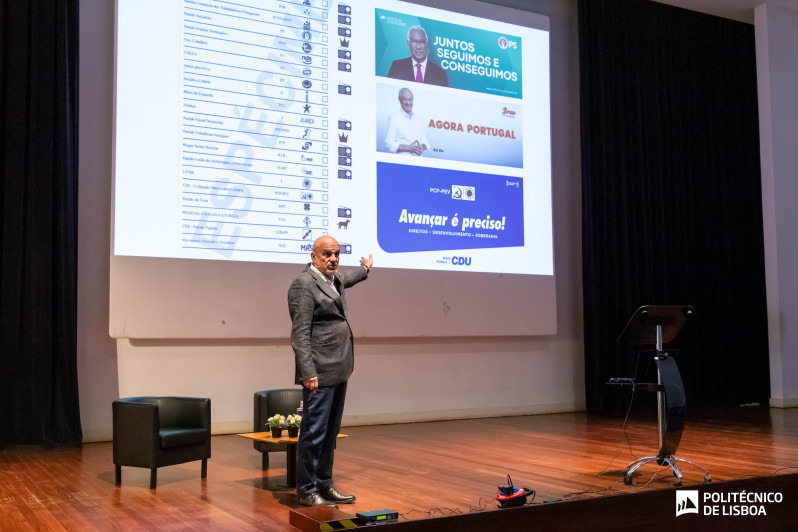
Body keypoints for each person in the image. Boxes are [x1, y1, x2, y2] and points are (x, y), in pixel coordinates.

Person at [288, 235, 374, 508]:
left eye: (336, 254)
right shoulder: (303, 285)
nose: (333, 259)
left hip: (340, 367)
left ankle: (324, 484)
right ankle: (307, 490)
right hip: (319, 371)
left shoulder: (333, 279)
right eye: (327, 254)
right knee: (313, 433)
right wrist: (308, 371)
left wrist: (366, 269)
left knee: (330, 433)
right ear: (313, 256)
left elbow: (349, 277)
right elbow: (300, 334)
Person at [384, 88, 430, 156]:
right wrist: (408, 148)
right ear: (399, 100)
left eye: (410, 99)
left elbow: (425, 142)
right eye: (405, 99)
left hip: (419, 163)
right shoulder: (394, 118)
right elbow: (388, 143)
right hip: (402, 163)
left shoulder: (418, 120)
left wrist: (422, 147)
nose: (408, 103)